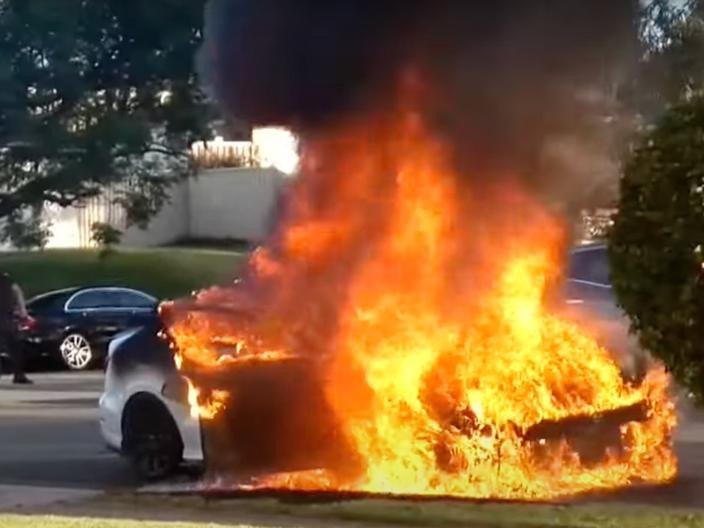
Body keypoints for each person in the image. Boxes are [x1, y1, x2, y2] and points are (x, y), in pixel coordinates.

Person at [0, 272, 32, 384]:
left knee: (14, 346)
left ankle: (19, 374)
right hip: (7, 318)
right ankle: (19, 374)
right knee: (15, 346)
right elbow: (17, 293)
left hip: (6, 317)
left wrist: (22, 312)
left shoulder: (6, 279)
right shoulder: (6, 279)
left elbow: (17, 292)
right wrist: (23, 312)